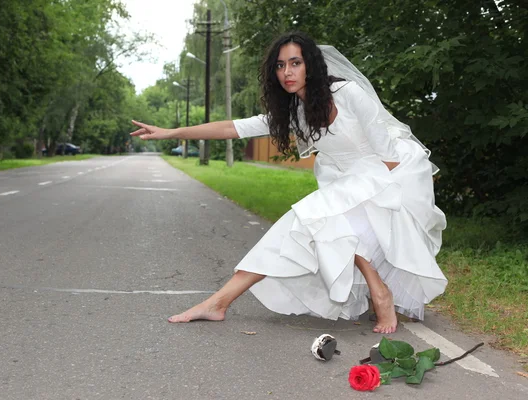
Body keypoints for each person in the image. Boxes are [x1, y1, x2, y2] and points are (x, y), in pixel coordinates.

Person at [130, 32, 447, 334]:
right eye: (280, 66)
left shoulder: (349, 93)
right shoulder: (294, 112)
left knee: (325, 223)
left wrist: (356, 197)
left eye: (295, 63)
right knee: (302, 228)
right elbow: (232, 128)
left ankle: (379, 294)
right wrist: (170, 133)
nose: (287, 72)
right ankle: (219, 302)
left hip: (390, 173)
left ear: (311, 64)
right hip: (347, 182)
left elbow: (388, 157)